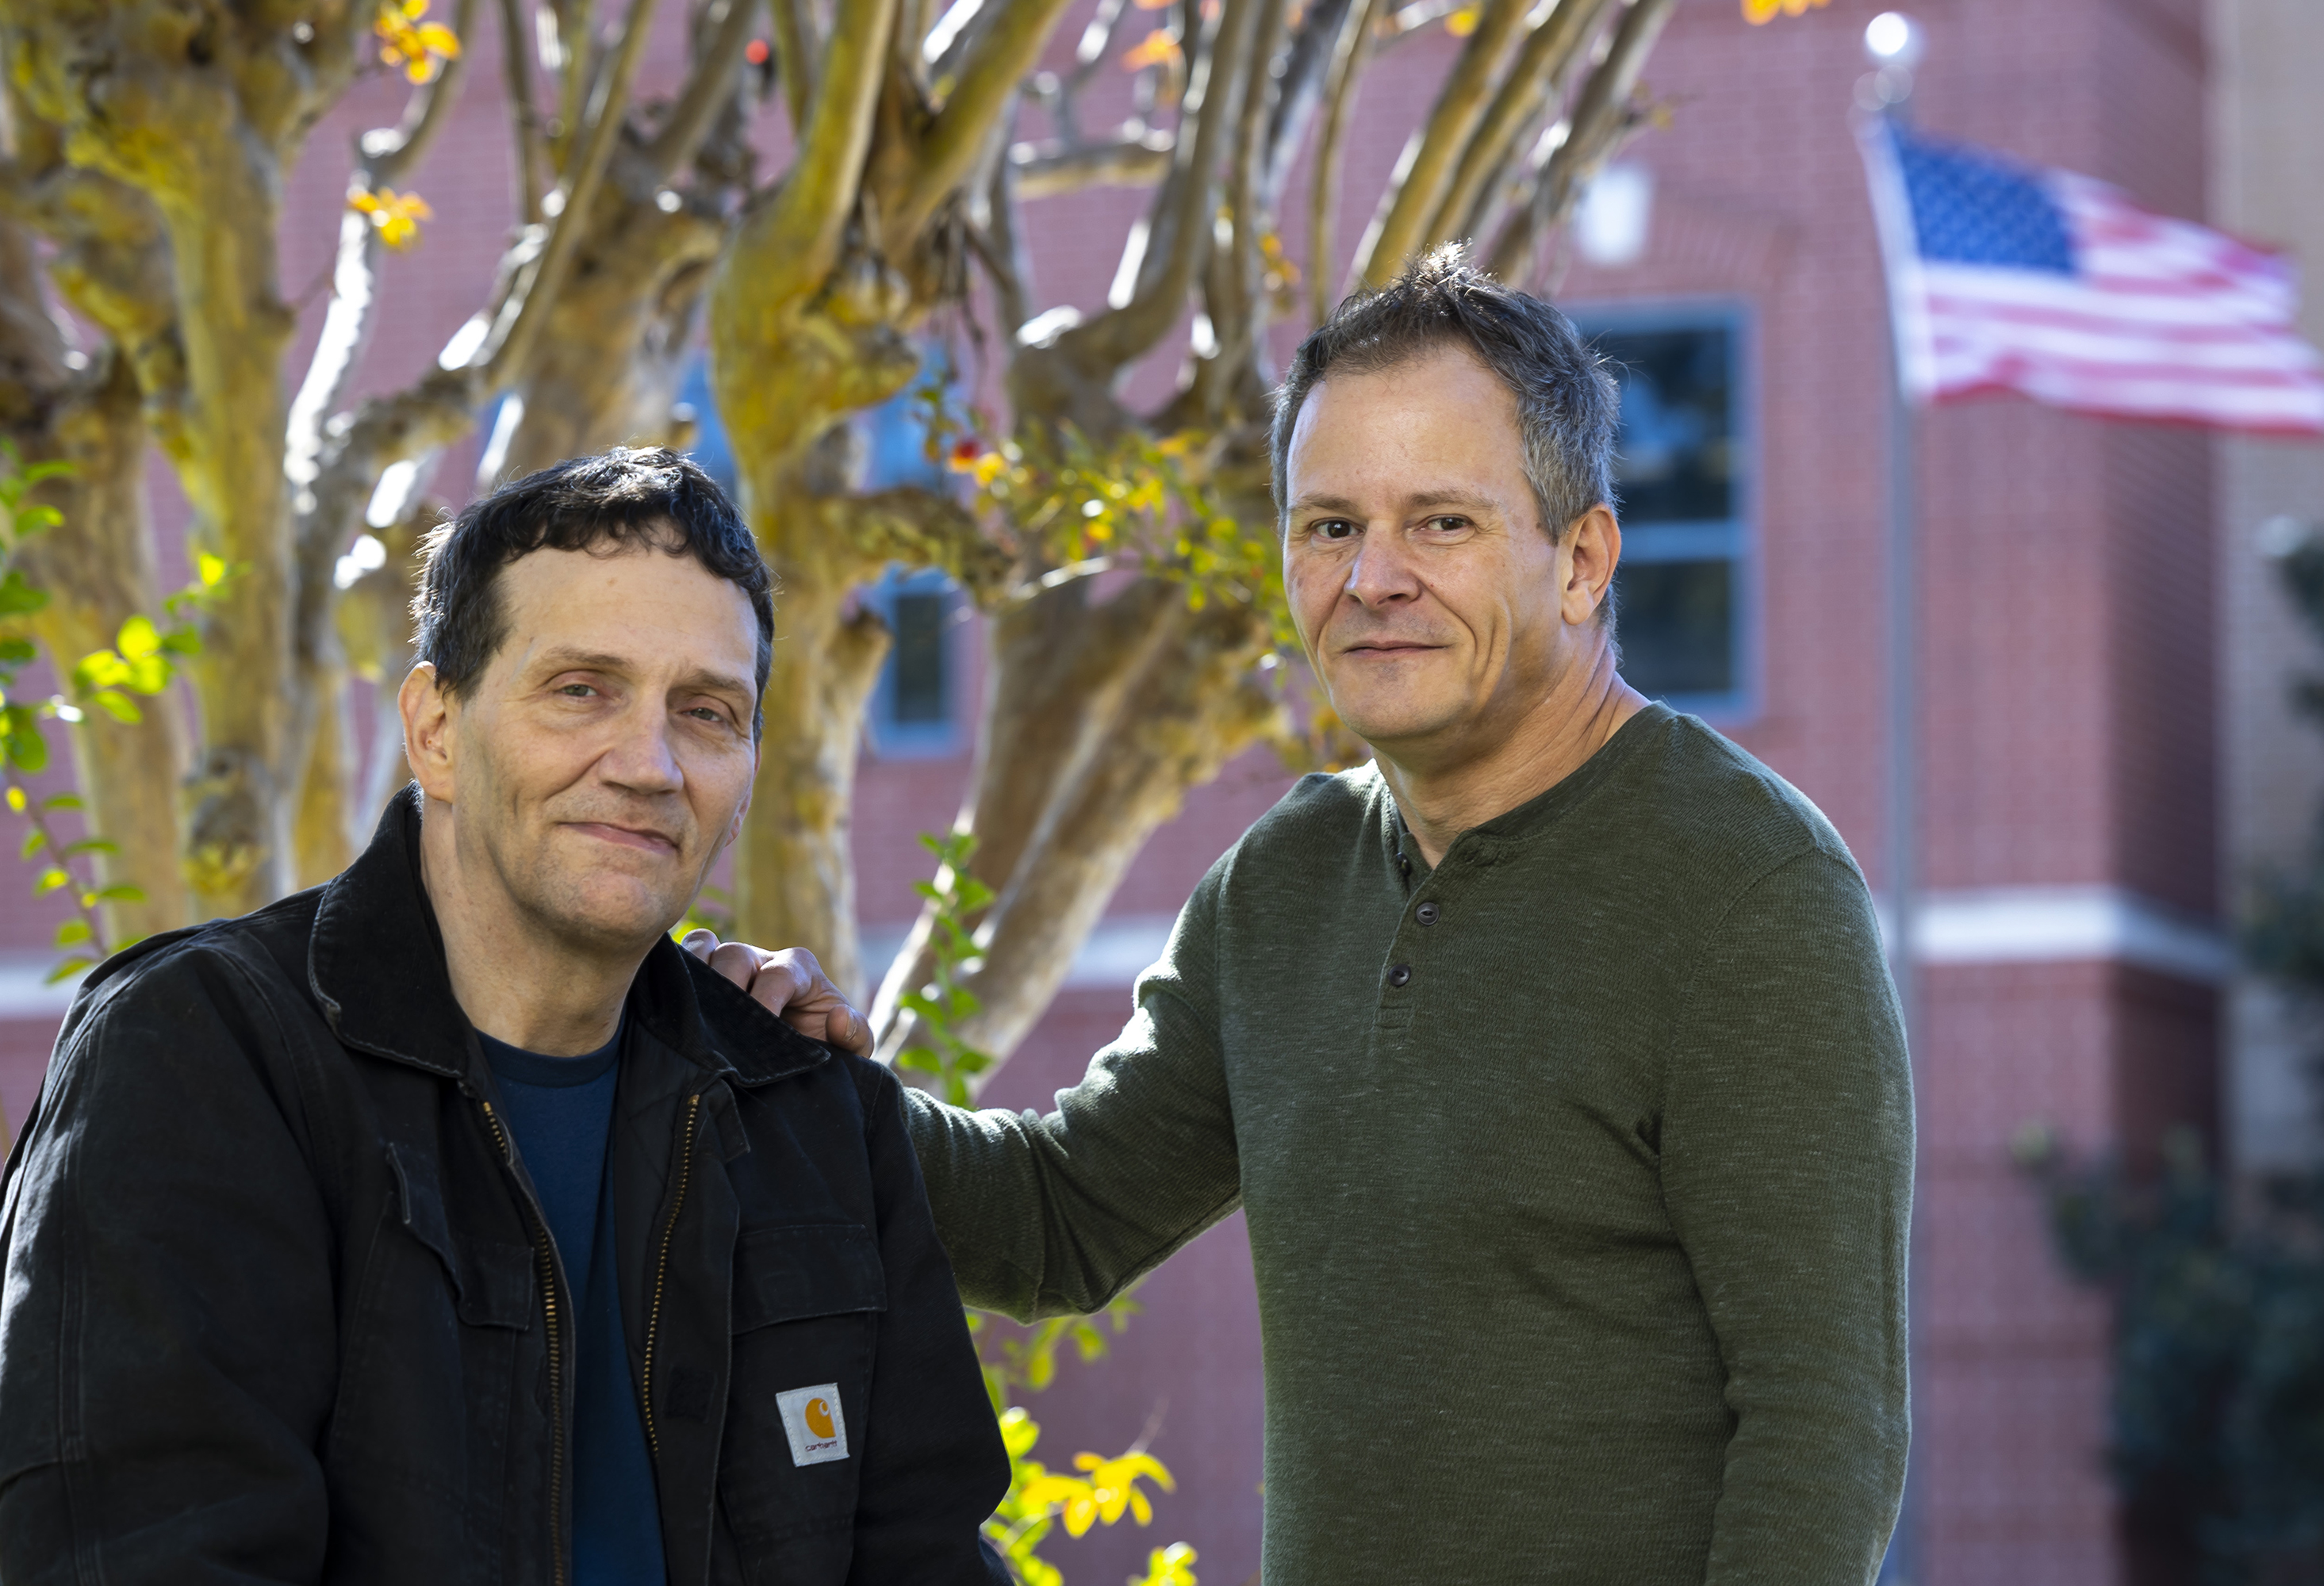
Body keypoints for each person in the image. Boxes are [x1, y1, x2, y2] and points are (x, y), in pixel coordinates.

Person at [701, 251, 1915, 1584]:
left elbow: (1821, 1427)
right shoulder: (1287, 879)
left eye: (1441, 523)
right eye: (1330, 525)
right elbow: (1057, 1220)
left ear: (1581, 560)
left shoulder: (1749, 893)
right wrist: (804, 1077)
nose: (1372, 577)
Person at [0, 450, 1007, 1585]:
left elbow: (928, 1554)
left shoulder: (813, 1117)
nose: (649, 764)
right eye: (581, 690)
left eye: (707, 711)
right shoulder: (199, 1061)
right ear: (435, 728)